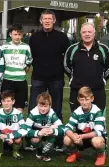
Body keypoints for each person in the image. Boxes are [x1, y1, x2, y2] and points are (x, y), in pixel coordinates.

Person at [28, 9, 71, 151]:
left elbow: (67, 57)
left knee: (57, 109)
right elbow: (30, 57)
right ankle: (32, 139)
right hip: (38, 78)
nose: (47, 21)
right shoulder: (34, 38)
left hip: (56, 78)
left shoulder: (62, 37)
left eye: (49, 18)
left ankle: (58, 140)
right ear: (41, 21)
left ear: (54, 20)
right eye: (44, 19)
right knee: (34, 109)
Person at [64, 22, 109, 113]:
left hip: (97, 92)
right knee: (77, 123)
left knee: (98, 123)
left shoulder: (103, 49)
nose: (87, 34)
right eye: (84, 32)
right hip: (77, 91)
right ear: (81, 34)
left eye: (89, 32)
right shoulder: (72, 49)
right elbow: (66, 66)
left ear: (94, 33)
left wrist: (102, 79)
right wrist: (73, 78)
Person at [63, 87, 107, 166]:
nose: (84, 102)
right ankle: (75, 153)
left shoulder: (97, 112)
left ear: (92, 99)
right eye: (82, 100)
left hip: (94, 137)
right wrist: (73, 136)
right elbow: (67, 128)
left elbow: (99, 132)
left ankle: (101, 155)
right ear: (78, 100)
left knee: (97, 142)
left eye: (86, 99)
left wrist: (82, 136)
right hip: (81, 138)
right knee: (66, 139)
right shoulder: (77, 112)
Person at [1, 23, 32, 113]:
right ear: (10, 34)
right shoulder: (4, 47)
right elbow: (2, 63)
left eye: (19, 34)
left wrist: (21, 72)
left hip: (21, 81)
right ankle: (6, 126)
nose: (17, 37)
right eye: (15, 34)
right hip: (7, 80)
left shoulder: (26, 47)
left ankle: (19, 126)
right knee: (6, 105)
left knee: (20, 106)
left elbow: (28, 63)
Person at [24, 92, 64, 161]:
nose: (42, 109)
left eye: (45, 106)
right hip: (37, 131)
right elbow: (25, 129)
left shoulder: (52, 113)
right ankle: (39, 150)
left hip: (47, 131)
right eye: (40, 106)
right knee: (35, 140)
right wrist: (38, 133)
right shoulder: (33, 113)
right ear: (37, 105)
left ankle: (44, 151)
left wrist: (52, 130)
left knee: (53, 135)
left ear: (50, 105)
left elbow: (63, 129)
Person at [0, 90, 28, 159]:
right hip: (2, 136)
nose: (6, 103)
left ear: (13, 102)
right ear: (1, 102)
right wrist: (0, 135)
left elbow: (24, 129)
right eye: (4, 101)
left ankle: (15, 152)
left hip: (13, 137)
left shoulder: (18, 113)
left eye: (8, 101)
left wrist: (10, 136)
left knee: (18, 139)